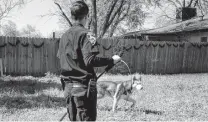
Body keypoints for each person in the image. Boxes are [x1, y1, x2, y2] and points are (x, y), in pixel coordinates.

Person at [57, 1, 121, 121]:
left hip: (67, 88)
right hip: (82, 89)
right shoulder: (87, 34)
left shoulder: (63, 37)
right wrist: (111, 60)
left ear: (71, 16)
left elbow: (63, 59)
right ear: (86, 16)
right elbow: (90, 60)